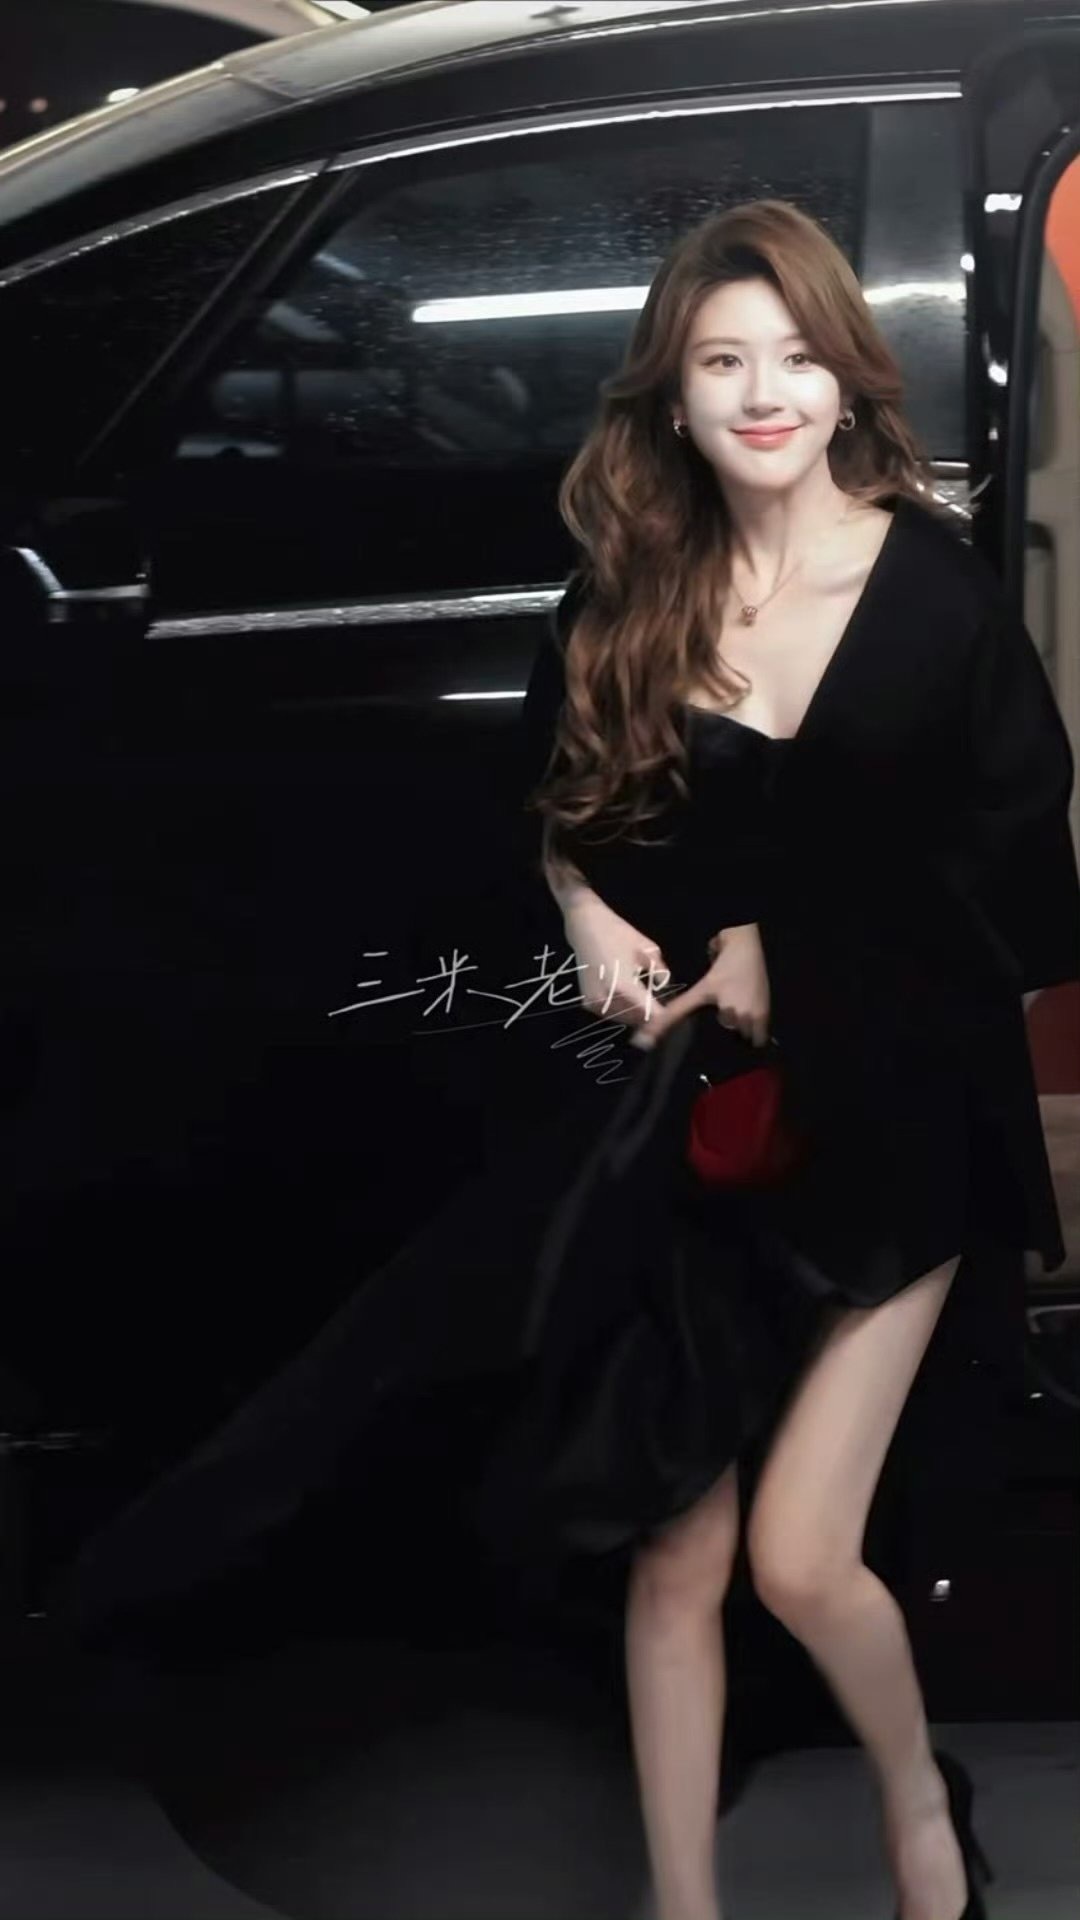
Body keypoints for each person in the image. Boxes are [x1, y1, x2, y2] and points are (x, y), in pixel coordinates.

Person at [54, 199, 1079, 1920]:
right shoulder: (632, 589)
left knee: (799, 1557)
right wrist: (585, 907)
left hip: (898, 1127)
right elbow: (558, 804)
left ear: (847, 380)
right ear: (672, 396)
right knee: (672, 1552)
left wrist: (792, 943)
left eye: (796, 358)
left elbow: (1026, 887)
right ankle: (681, 1905)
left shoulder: (937, 594)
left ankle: (922, 1811)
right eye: (722, 362)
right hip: (689, 1132)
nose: (764, 394)